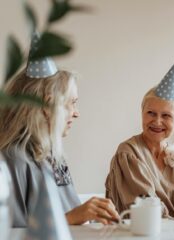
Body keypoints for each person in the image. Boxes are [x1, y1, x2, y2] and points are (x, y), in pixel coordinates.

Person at [0, 33, 119, 227]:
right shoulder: (13, 159)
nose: (76, 113)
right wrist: (73, 217)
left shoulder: (53, 156)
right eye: (71, 103)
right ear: (47, 106)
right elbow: (10, 233)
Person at [105, 62, 174, 217]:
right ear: (142, 113)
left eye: (166, 115)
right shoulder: (128, 153)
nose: (157, 121)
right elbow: (146, 210)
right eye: (151, 113)